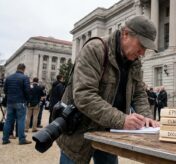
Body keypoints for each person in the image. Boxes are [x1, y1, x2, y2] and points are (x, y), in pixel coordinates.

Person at [56, 16, 159, 164]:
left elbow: (139, 93)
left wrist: (147, 117)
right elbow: (84, 95)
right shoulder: (95, 49)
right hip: (79, 131)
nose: (142, 52)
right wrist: (122, 120)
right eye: (141, 45)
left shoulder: (135, 61)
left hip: (109, 131)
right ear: (125, 34)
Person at [2, 63, 32, 145]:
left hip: (10, 101)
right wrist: (28, 100)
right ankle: (22, 139)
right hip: (20, 101)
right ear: (24, 69)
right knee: (21, 120)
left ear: (17, 68)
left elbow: (5, 90)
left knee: (8, 120)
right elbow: (27, 91)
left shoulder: (9, 77)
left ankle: (5, 139)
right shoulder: (25, 78)